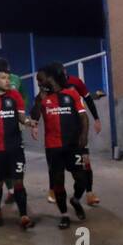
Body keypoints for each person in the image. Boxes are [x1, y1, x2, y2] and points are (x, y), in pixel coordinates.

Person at [30, 63, 90, 230]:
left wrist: (84, 135)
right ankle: (64, 215)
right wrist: (39, 101)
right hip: (53, 147)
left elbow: (84, 117)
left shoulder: (71, 93)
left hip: (73, 145)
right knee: (58, 182)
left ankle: (76, 199)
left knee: (82, 179)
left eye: (41, 79)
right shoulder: (41, 97)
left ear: (51, 77)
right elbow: (34, 117)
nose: (39, 83)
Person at [0, 64, 36, 229]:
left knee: (18, 182)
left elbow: (21, 117)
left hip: (15, 147)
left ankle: (24, 215)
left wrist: (28, 122)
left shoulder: (15, 96)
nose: (8, 81)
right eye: (3, 78)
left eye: (8, 78)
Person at [65, 71, 104, 206]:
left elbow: (88, 100)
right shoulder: (53, 87)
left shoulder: (76, 82)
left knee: (85, 161)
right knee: (58, 167)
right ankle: (54, 189)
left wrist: (97, 119)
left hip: (79, 128)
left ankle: (89, 193)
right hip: (62, 133)